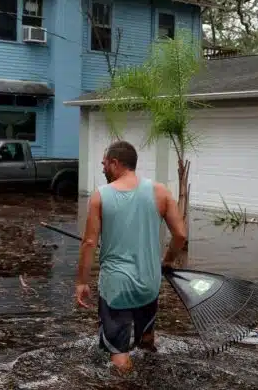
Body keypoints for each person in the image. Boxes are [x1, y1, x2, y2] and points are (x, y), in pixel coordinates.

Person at [74, 140, 187, 373]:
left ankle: (124, 378)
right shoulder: (161, 192)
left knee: (119, 354)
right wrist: (166, 261)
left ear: (115, 163)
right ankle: (150, 377)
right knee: (146, 343)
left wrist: (82, 282)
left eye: (104, 164)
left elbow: (89, 243)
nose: (103, 168)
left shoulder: (100, 197)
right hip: (149, 283)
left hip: (117, 287)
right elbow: (180, 235)